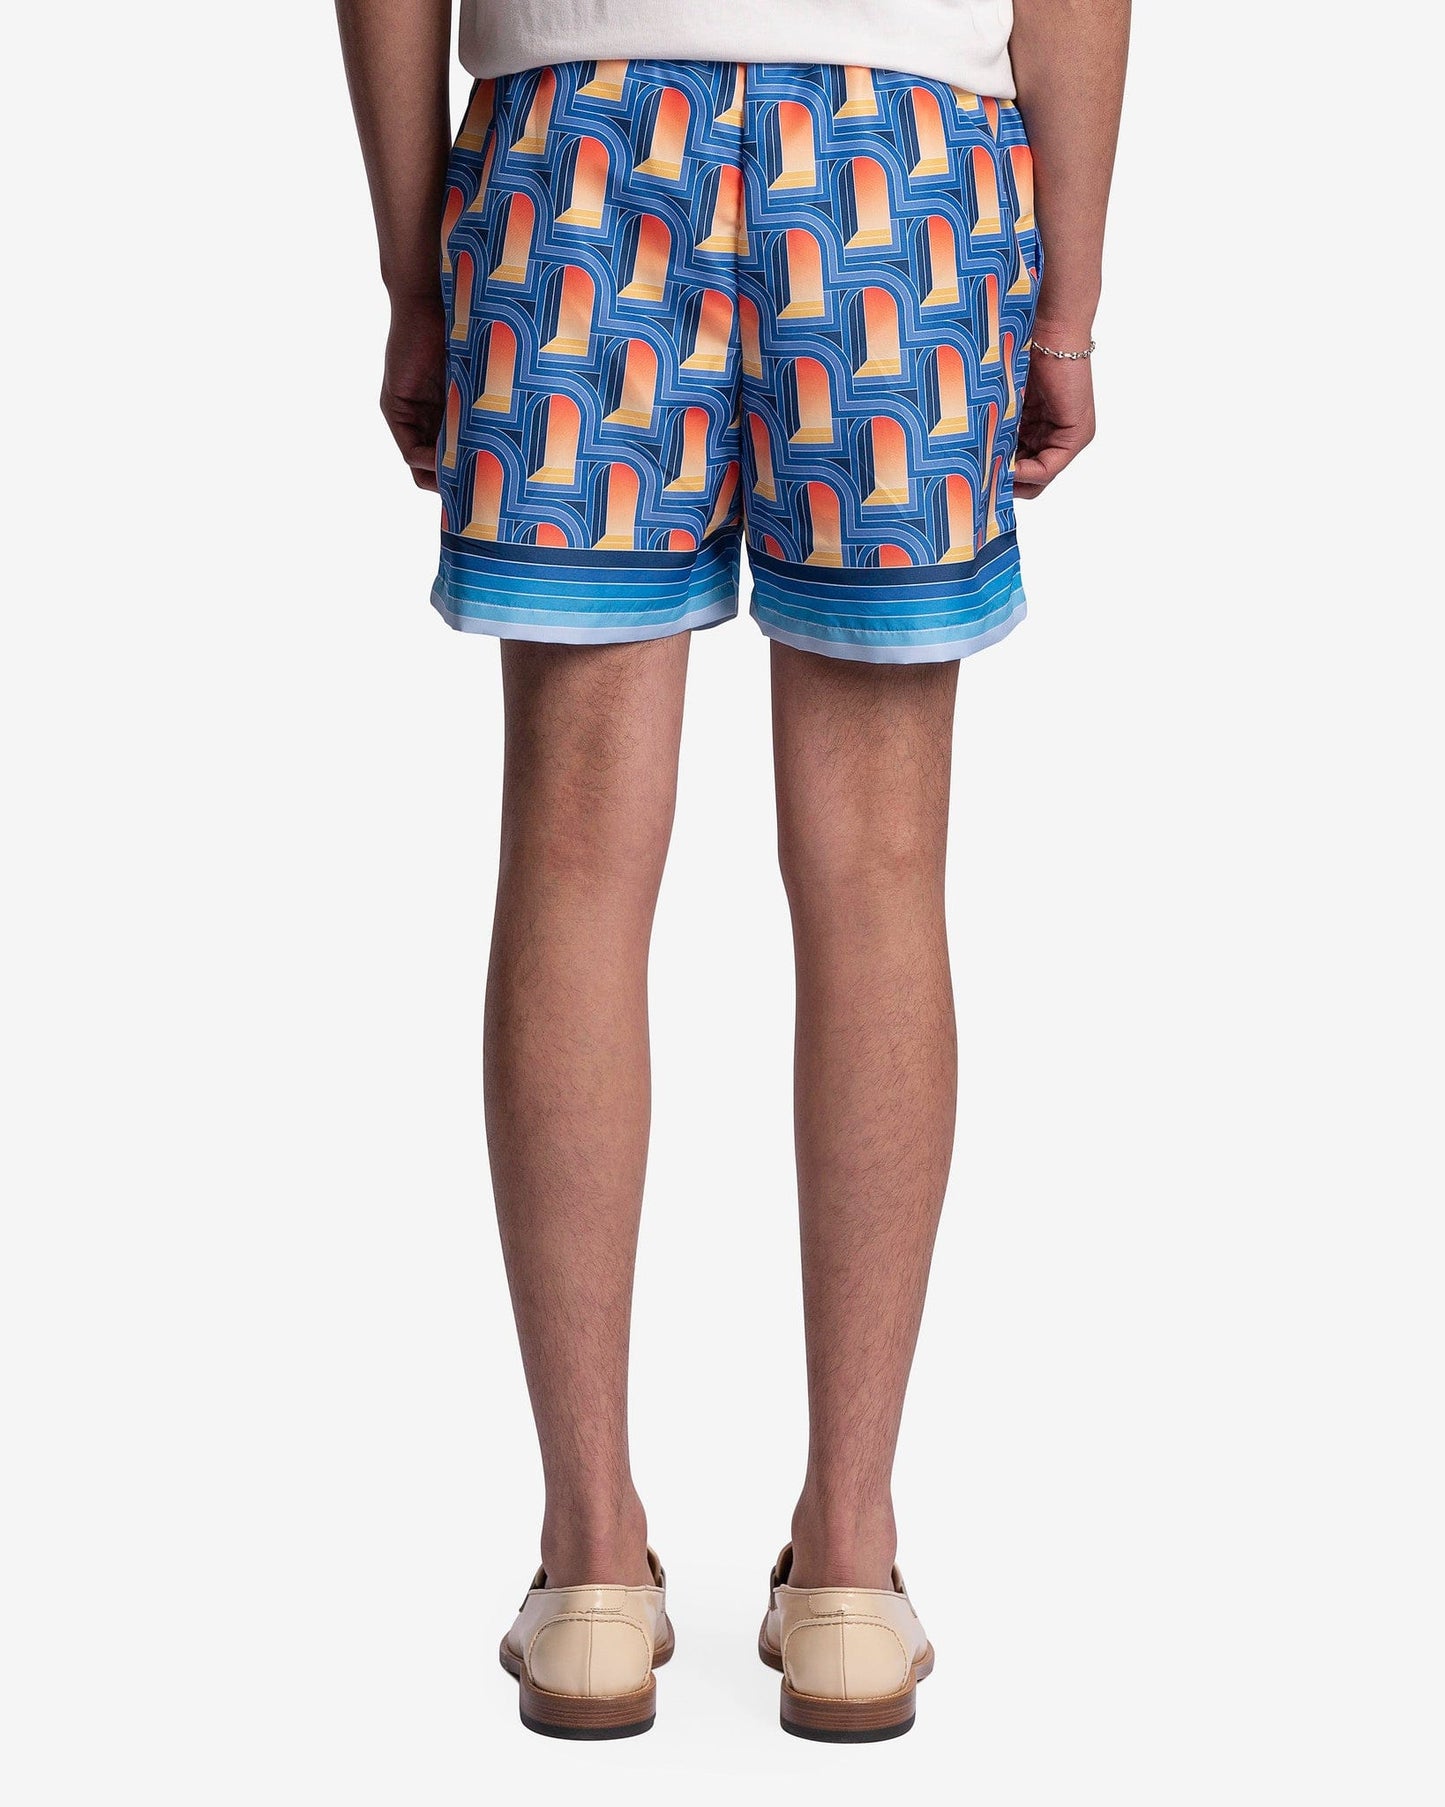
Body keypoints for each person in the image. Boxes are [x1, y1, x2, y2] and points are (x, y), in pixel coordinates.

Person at [336, 0, 1128, 1743]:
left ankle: (588, 1577)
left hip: (578, 148)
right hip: (895, 171)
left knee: (572, 848)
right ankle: (846, 1570)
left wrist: (413, 268)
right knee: (878, 863)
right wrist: (1064, 301)